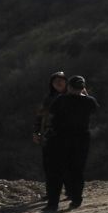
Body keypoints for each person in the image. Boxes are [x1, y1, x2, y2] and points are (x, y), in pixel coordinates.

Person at [42, 75, 99, 211]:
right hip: (81, 139)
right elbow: (95, 109)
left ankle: (53, 203)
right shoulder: (89, 101)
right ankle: (76, 199)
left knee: (55, 171)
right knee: (77, 170)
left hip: (60, 138)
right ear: (82, 88)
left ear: (69, 87)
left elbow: (51, 112)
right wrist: (86, 95)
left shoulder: (61, 99)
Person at [33, 71, 67, 204]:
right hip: (49, 136)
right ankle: (51, 192)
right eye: (55, 81)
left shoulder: (73, 97)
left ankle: (70, 191)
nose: (59, 83)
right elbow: (39, 117)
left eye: (61, 80)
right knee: (49, 166)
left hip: (67, 136)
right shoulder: (48, 99)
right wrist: (36, 132)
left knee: (67, 165)